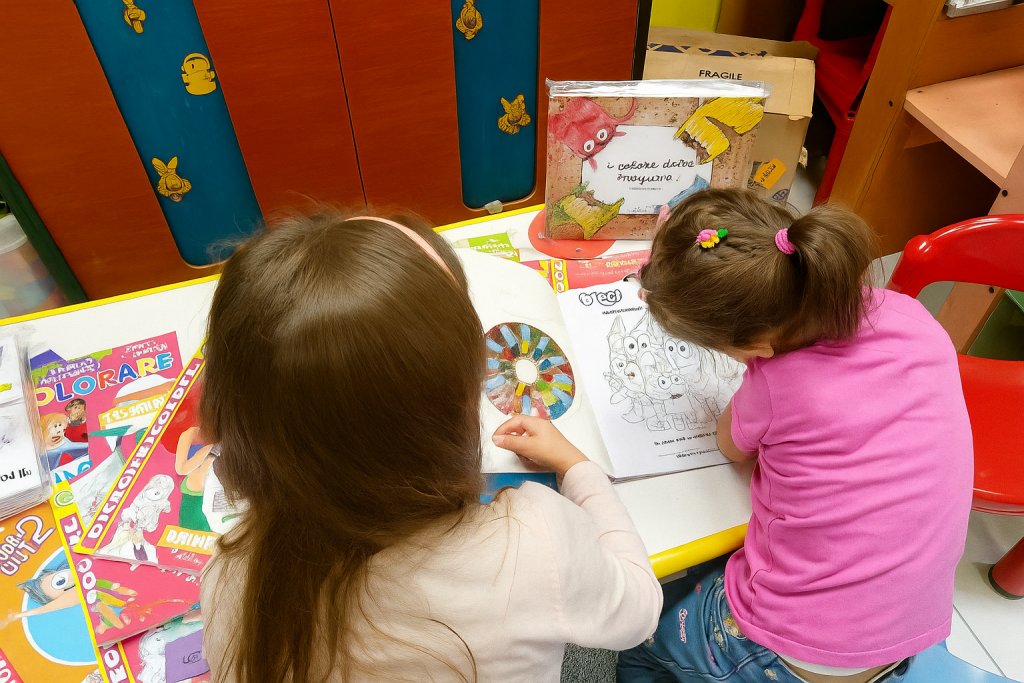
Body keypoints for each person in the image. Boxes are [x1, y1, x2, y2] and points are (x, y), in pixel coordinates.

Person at [199, 212, 662, 683]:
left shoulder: (229, 579)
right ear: (454, 408)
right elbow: (640, 608)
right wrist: (581, 470)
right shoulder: (535, 542)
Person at [618, 189, 973, 683]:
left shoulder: (775, 383)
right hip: (911, 628)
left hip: (794, 650)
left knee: (642, 637)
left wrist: (753, 385)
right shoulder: (912, 316)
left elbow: (729, 446)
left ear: (757, 344)